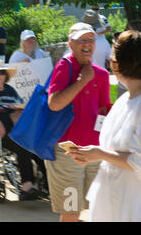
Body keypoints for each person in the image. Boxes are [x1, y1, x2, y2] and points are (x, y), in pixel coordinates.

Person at [67, 30, 141, 221]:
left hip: (132, 204)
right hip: (113, 198)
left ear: (117, 64)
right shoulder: (125, 100)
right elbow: (114, 149)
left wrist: (100, 154)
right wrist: (89, 154)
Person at [46, 22, 111, 222]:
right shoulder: (64, 66)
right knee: (71, 210)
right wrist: (82, 81)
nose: (87, 44)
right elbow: (54, 104)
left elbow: (102, 111)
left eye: (91, 39)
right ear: (70, 44)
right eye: (81, 40)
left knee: (97, 208)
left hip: (95, 151)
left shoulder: (102, 74)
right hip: (68, 150)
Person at [0, 58, 46, 201]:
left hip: (18, 130)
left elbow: (21, 106)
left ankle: (47, 185)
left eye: (1, 72)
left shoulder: (10, 90)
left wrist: (19, 111)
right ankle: (26, 186)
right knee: (23, 145)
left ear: (5, 75)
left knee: (40, 145)